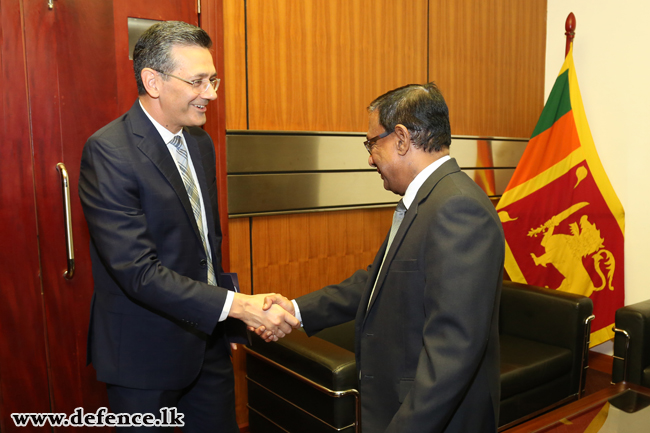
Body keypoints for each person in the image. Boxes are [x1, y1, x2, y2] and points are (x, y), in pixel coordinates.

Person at [78, 21, 298, 432]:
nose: (212, 93)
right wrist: (239, 306)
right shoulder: (109, 152)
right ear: (153, 81)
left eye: (213, 79)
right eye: (198, 81)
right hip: (144, 359)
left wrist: (230, 318)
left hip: (207, 345)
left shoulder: (199, 142)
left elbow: (205, 247)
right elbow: (137, 271)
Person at [258, 83, 505, 432]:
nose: (370, 156)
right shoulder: (426, 200)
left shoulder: (457, 208)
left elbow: (452, 352)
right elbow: (376, 283)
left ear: (401, 138)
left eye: (372, 142)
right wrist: (295, 310)